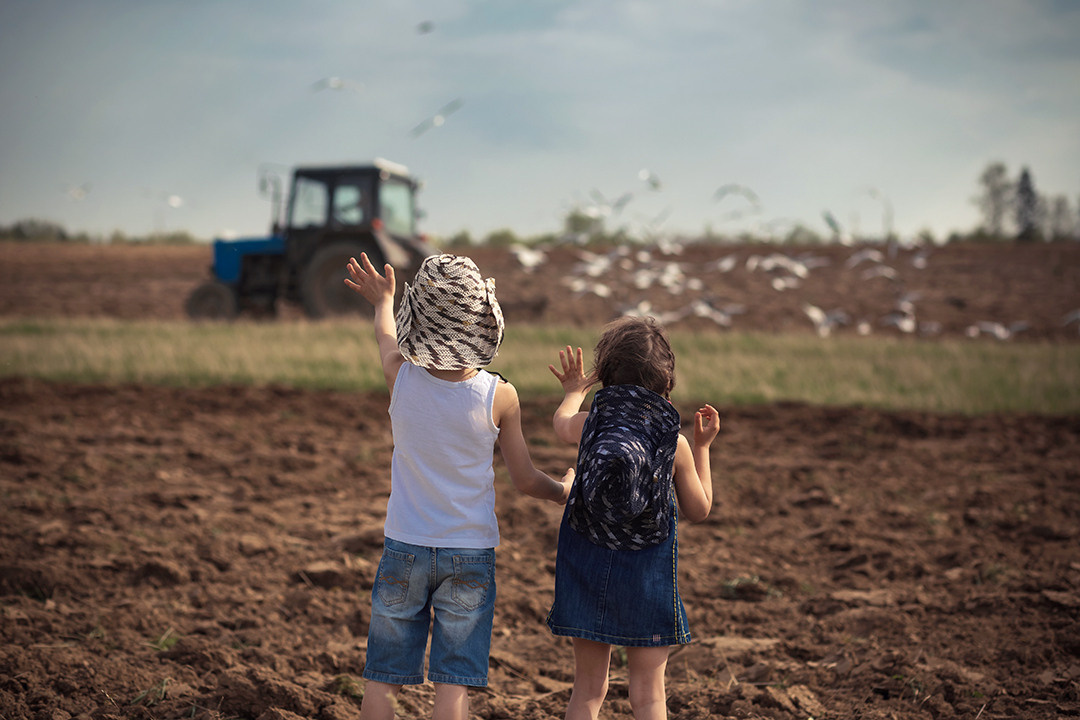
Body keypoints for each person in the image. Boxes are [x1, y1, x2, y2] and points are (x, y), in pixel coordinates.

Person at [344, 252, 573, 720]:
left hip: (404, 546)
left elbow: (386, 337)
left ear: (420, 320)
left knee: (383, 676)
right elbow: (526, 479)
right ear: (482, 322)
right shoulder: (500, 395)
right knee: (453, 683)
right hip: (469, 552)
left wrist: (383, 300)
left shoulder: (400, 377)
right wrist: (563, 489)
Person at [546, 316, 721, 720]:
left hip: (584, 563)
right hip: (647, 574)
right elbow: (699, 510)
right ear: (667, 384)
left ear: (606, 376)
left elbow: (559, 424)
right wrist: (702, 447)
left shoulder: (590, 425)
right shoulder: (673, 443)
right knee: (649, 695)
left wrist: (573, 391)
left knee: (588, 690)